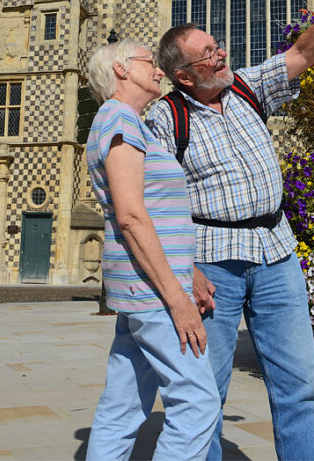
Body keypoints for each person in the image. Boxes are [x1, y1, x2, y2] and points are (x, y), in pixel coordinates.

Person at [146, 0, 314, 461]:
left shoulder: (246, 87)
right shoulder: (164, 121)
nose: (220, 55)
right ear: (184, 76)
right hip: (212, 266)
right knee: (206, 397)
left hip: (277, 254)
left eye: (217, 45)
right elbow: (151, 206)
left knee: (299, 389)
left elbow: (305, 51)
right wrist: (186, 273)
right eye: (207, 54)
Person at [84, 39, 220, 461]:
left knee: (122, 409)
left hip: (143, 291)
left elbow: (156, 215)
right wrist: (177, 298)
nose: (160, 70)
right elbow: (131, 216)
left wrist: (190, 274)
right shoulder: (120, 121)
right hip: (154, 295)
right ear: (121, 70)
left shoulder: (127, 122)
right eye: (150, 62)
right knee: (198, 404)